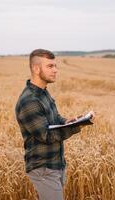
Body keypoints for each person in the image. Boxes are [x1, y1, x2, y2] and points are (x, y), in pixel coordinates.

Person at [15, 49, 94, 200]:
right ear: (36, 69)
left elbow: (54, 118)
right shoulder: (30, 100)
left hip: (55, 165)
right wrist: (77, 126)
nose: (56, 70)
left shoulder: (43, 93)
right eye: (50, 66)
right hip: (43, 169)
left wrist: (68, 121)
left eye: (55, 66)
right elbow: (46, 135)